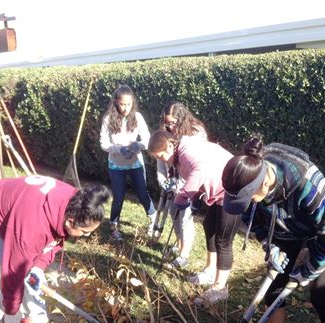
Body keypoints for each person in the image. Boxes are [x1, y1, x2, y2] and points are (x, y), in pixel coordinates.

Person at [221, 137, 325, 323]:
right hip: (285, 223)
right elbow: (255, 222)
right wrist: (271, 248)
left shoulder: (306, 186)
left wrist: (308, 271)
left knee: (322, 297)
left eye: (250, 198)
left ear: (264, 183)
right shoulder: (247, 177)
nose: (249, 202)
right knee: (274, 288)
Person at [0, 175, 110, 323]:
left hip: (20, 212)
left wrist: (38, 267)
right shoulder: (31, 230)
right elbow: (13, 273)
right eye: (84, 232)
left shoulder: (77, 202)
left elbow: (55, 240)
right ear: (70, 221)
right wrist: (12, 312)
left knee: (32, 273)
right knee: (16, 279)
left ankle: (38, 319)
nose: (85, 237)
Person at [148, 130, 242, 304]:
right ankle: (209, 271)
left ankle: (219, 288)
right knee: (209, 226)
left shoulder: (187, 151)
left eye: (160, 156)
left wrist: (183, 196)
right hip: (221, 191)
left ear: (170, 146)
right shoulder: (180, 153)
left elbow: (199, 169)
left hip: (234, 191)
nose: (161, 160)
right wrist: (197, 194)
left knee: (223, 240)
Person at [99, 85, 156, 242]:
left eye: (129, 104)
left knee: (143, 193)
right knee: (118, 196)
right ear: (116, 102)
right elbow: (103, 143)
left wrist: (139, 145)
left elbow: (147, 138)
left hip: (135, 163)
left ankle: (154, 222)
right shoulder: (108, 119)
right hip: (116, 164)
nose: (125, 108)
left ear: (133, 103)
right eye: (122, 104)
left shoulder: (137, 117)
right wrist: (118, 149)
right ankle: (114, 227)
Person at [155, 102, 208, 269]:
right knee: (173, 212)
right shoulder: (165, 131)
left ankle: (184, 255)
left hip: (190, 182)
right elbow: (161, 160)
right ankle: (178, 244)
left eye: (173, 122)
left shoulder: (196, 132)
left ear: (182, 119)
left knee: (185, 216)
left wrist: (182, 187)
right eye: (167, 122)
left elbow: (197, 164)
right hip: (172, 182)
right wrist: (165, 181)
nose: (170, 126)